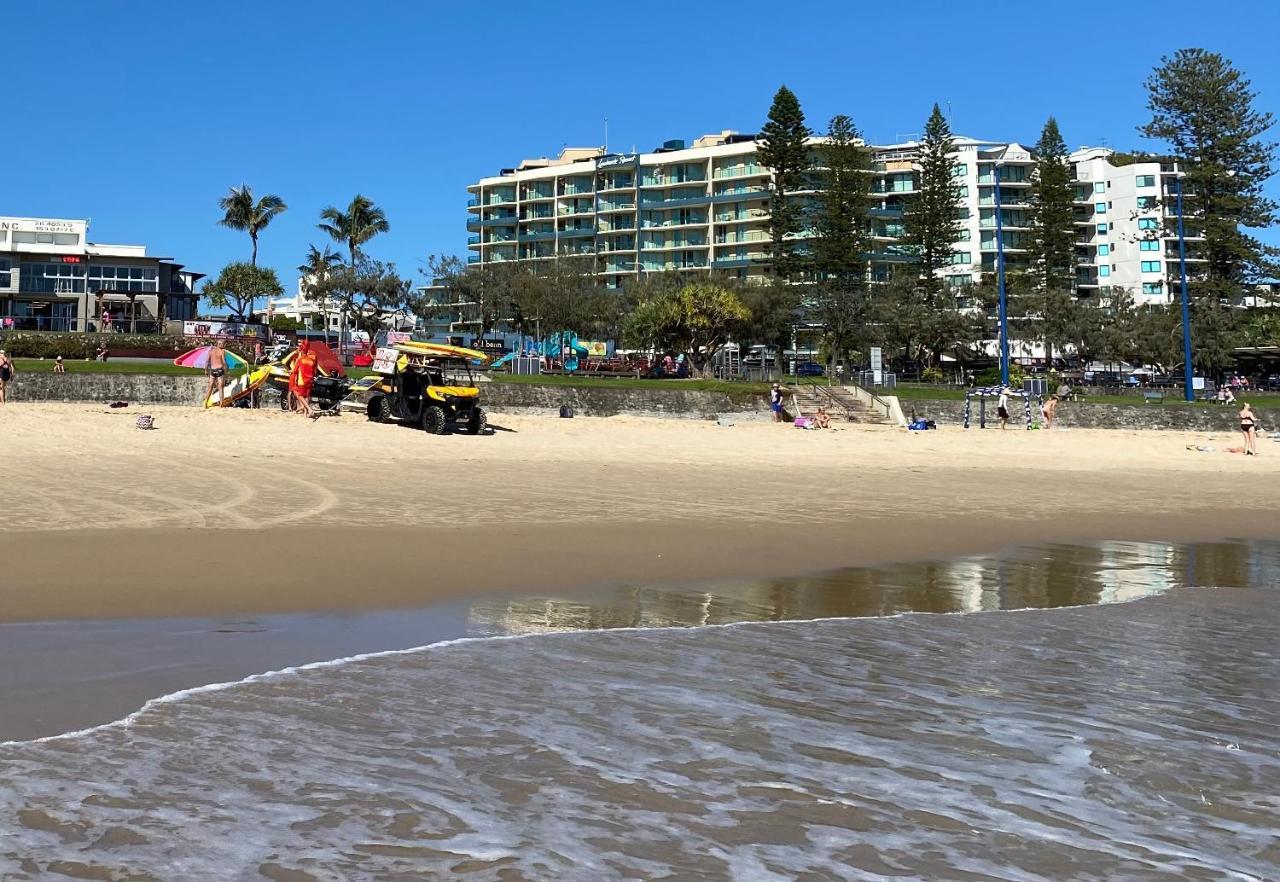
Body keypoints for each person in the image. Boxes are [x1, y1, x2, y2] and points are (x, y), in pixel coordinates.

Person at [289, 340, 317, 417]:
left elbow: (295, 371)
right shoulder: (312, 359)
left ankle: (309, 409)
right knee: (307, 396)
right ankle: (305, 413)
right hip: (310, 379)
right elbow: (315, 368)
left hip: (302, 380)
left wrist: (291, 372)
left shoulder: (300, 360)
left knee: (300, 395)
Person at [204, 338, 229, 407]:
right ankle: (221, 403)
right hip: (220, 370)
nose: (224, 345)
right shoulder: (222, 351)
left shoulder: (211, 351)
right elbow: (224, 361)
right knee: (220, 387)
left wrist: (206, 370)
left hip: (212, 370)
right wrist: (227, 368)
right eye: (223, 344)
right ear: (219, 344)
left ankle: (205, 402)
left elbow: (207, 362)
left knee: (210, 387)